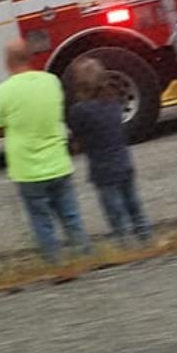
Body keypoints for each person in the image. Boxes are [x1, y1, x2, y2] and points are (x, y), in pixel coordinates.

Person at [0, 39, 90, 263]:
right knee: (71, 216)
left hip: (27, 169)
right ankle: (85, 257)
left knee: (41, 221)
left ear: (7, 62)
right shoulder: (51, 82)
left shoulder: (1, 92)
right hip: (58, 162)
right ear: (29, 58)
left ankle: (55, 263)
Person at [66, 58, 153, 246]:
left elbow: (77, 140)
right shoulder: (113, 103)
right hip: (124, 161)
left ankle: (123, 242)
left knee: (114, 210)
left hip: (103, 168)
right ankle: (146, 237)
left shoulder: (79, 111)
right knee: (134, 204)